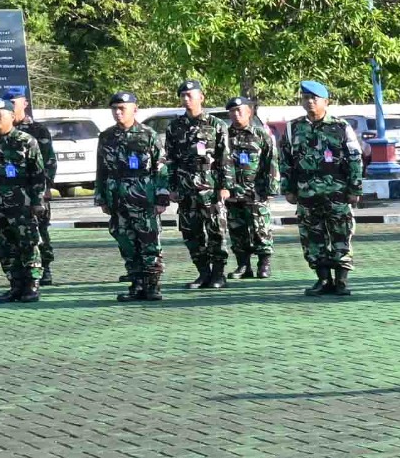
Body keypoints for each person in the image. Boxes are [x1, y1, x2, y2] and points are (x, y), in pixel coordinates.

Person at [280, 81, 362, 295]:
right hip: (307, 192)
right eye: (306, 98)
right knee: (312, 237)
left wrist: (355, 188)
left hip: (337, 192)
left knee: (341, 234)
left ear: (326, 101)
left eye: (314, 98)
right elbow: (285, 161)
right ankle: (323, 280)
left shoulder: (341, 126)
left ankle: (342, 280)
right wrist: (288, 188)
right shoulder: (293, 128)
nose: (309, 102)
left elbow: (354, 158)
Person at [95, 92, 170, 300]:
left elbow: (160, 167)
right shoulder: (107, 136)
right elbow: (101, 168)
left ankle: (152, 285)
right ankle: (136, 284)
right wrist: (101, 196)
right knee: (126, 242)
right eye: (114, 109)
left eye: (122, 108)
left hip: (143, 198)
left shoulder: (148, 134)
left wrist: (162, 196)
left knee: (149, 242)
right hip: (117, 199)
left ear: (134, 109)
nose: (118, 113)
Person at [161, 80, 232, 288]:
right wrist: (171, 186)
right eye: (183, 95)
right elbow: (171, 159)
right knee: (191, 233)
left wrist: (225, 185)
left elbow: (225, 158)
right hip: (185, 189)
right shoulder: (175, 127)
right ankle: (203, 272)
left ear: (201, 97)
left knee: (216, 232)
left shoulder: (216, 125)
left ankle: (219, 274)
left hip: (210, 188)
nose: (186, 99)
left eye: (190, 95)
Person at [0, 96, 47, 302]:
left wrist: (37, 201)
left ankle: (32, 285)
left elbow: (37, 173)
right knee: (5, 246)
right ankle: (15, 285)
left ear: (11, 115)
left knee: (28, 243)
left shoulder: (26, 141)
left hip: (22, 201)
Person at [222, 98, 277, 278]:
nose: (236, 114)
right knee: (237, 230)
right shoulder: (223, 136)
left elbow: (271, 163)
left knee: (261, 228)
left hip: (256, 191)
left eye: (240, 110)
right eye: (232, 111)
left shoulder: (261, 135)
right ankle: (243, 265)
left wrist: (271, 189)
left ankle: (264, 263)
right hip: (232, 192)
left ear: (249, 112)